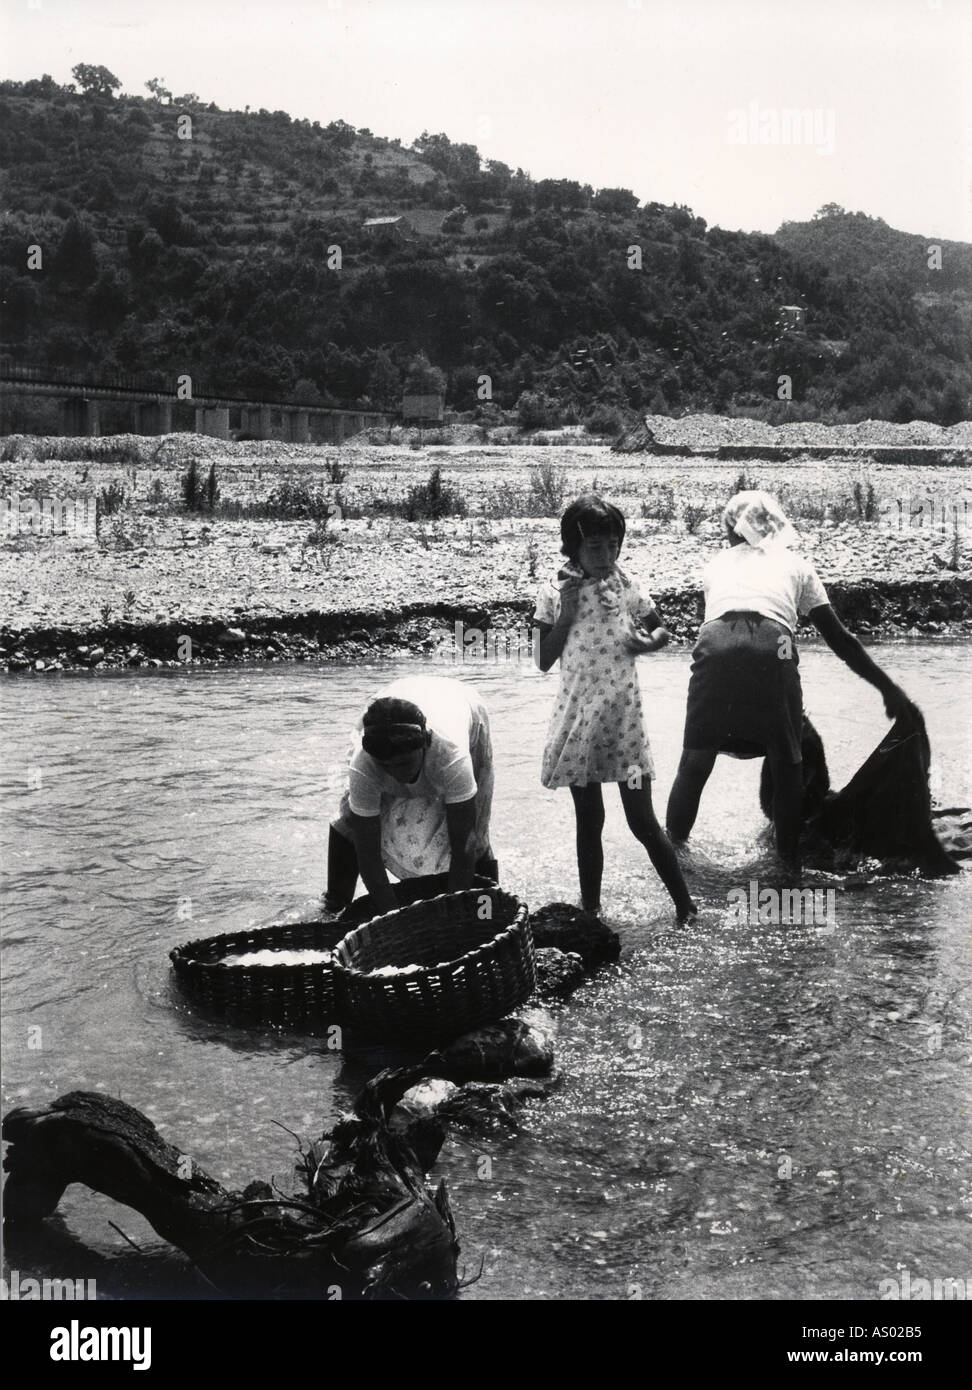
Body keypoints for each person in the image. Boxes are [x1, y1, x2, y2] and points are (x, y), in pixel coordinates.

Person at [665, 490, 914, 871]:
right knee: (786, 762)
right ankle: (788, 865)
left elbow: (708, 624)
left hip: (713, 645)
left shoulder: (715, 563)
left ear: (729, 531)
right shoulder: (796, 564)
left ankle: (673, 856)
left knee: (694, 764)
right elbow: (841, 640)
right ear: (775, 527)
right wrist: (888, 689)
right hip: (775, 645)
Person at [534, 494, 697, 924]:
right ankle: (592, 911)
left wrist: (651, 641)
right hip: (580, 718)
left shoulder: (627, 586)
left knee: (643, 821)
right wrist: (566, 616)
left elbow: (661, 627)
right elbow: (543, 659)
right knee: (589, 821)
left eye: (613, 546)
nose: (605, 556)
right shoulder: (553, 593)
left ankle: (686, 906)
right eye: (595, 548)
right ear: (573, 549)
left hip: (623, 720)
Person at [322, 675, 496, 919]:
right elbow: (368, 854)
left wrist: (453, 914)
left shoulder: (451, 757)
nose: (397, 775)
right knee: (350, 822)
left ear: (425, 744)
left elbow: (464, 845)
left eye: (404, 763)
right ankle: (333, 909)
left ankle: (486, 912)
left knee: (476, 833)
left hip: (460, 705)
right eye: (386, 766)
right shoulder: (364, 764)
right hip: (388, 711)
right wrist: (395, 919)